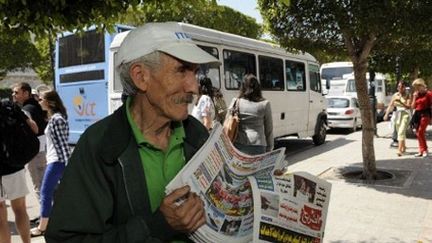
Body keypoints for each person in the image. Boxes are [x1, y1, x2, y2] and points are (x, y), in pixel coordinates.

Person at [45, 22, 220, 242]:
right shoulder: (99, 145)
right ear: (140, 76)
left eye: (195, 72)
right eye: (181, 70)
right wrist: (156, 226)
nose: (194, 87)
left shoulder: (197, 134)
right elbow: (65, 239)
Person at [30, 90, 71, 237]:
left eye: (41, 99)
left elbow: (63, 145)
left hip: (57, 162)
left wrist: (67, 166)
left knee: (45, 193)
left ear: (50, 102)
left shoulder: (57, 119)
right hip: (55, 161)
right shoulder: (54, 118)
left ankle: (42, 227)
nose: (39, 101)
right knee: (55, 194)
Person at [0, 96, 40, 243]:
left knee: (0, 217)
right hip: (14, 166)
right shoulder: (9, 107)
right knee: (20, 208)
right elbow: (34, 128)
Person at [12, 83, 47, 202]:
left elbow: (30, 131)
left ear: (26, 93)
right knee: (45, 183)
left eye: (16, 92)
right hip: (43, 149)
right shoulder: (38, 105)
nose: (13, 95)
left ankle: (45, 217)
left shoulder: (26, 110)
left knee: (39, 185)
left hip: (34, 152)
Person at [227, 74, 273, 155]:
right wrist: (269, 148)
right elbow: (269, 129)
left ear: (242, 87)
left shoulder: (235, 102)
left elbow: (227, 121)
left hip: (238, 144)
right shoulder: (265, 104)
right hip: (258, 146)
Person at [384, 81, 411, 156]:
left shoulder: (408, 95)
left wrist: (400, 102)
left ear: (404, 87)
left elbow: (408, 106)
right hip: (397, 114)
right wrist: (386, 114)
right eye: (398, 87)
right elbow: (390, 105)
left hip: (405, 114)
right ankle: (404, 147)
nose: (400, 88)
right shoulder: (395, 95)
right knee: (400, 131)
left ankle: (399, 150)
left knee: (401, 131)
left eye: (401, 87)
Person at [410, 78, 432, 158]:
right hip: (417, 115)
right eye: (415, 87)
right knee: (418, 133)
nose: (416, 89)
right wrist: (414, 97)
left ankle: (425, 150)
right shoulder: (417, 94)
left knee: (420, 132)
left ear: (422, 85)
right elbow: (412, 106)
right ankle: (421, 150)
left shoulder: (429, 94)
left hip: (425, 114)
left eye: (417, 87)